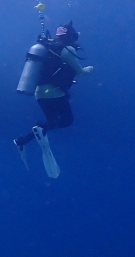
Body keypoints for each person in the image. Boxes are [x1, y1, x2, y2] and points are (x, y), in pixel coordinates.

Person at [13, 21, 94, 178]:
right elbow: (80, 72)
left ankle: (22, 140)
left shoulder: (47, 47)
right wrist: (89, 69)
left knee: (50, 121)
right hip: (55, 93)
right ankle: (39, 130)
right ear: (71, 36)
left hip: (39, 93)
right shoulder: (67, 50)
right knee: (66, 121)